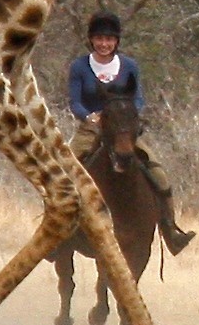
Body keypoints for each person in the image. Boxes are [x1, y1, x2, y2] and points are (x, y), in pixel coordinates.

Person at [66, 13, 192, 254]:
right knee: (63, 173)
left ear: (117, 41)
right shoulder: (80, 67)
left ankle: (171, 231)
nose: (104, 44)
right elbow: (75, 102)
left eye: (109, 39)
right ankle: (57, 233)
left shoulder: (129, 66)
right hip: (91, 129)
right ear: (91, 40)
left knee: (159, 174)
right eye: (99, 39)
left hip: (123, 130)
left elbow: (139, 98)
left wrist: (129, 116)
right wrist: (89, 116)